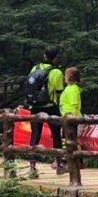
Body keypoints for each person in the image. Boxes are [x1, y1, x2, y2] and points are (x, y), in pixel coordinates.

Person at [26, 47, 64, 179]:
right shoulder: (57, 72)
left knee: (35, 135)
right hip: (50, 106)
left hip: (34, 106)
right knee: (56, 135)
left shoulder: (35, 68)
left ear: (44, 55)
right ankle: (59, 164)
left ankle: (32, 167)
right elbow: (59, 91)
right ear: (56, 57)